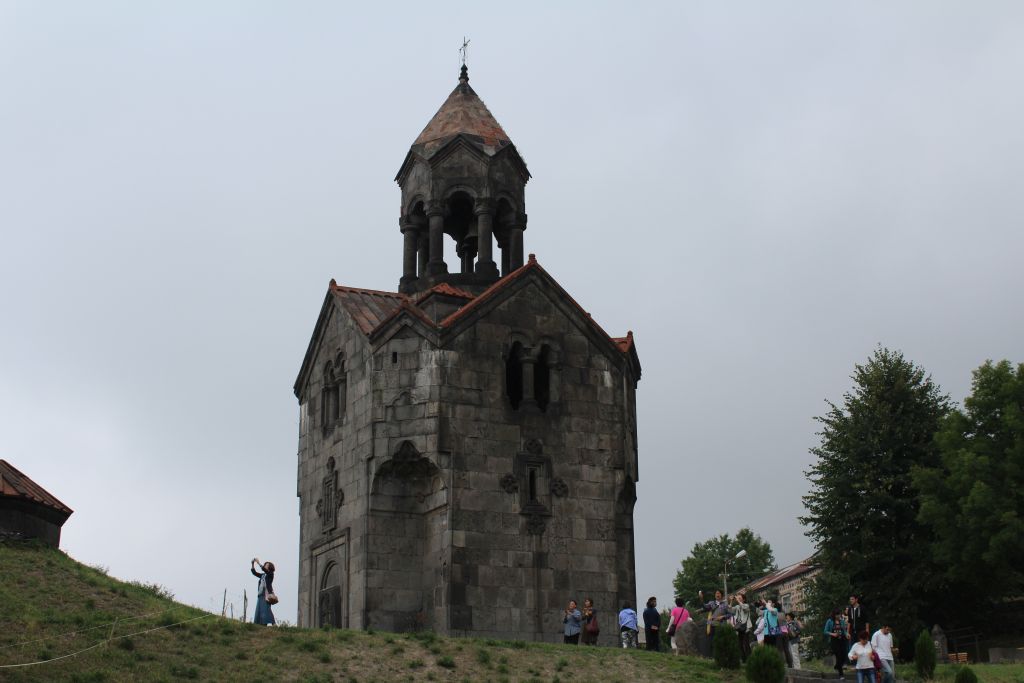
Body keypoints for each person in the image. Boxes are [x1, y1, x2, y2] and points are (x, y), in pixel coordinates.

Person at [824, 609, 850, 678]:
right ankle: (841, 674)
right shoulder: (830, 621)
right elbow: (825, 631)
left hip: (842, 640)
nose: (838, 616)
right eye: (837, 614)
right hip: (834, 641)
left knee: (844, 655)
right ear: (834, 615)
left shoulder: (842, 621)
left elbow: (844, 630)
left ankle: (836, 666)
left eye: (839, 614)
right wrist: (832, 634)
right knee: (838, 655)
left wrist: (847, 634)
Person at [251, 557, 276, 626]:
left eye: (266, 564)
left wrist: (258, 563)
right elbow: (254, 573)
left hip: (267, 594)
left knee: (266, 609)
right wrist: (253, 564)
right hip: (261, 594)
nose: (265, 565)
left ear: (270, 567)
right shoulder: (263, 575)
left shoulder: (270, 574)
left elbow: (265, 570)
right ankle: (261, 624)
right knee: (260, 609)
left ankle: (273, 623)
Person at [731, 593, 752, 661]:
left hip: (746, 627)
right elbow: (729, 610)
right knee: (739, 644)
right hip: (739, 627)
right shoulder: (737, 607)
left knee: (746, 644)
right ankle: (743, 659)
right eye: (738, 598)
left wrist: (738, 601)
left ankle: (749, 659)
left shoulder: (746, 605)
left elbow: (744, 608)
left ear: (744, 599)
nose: (738, 599)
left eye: (740, 598)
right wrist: (731, 601)